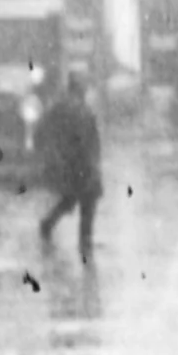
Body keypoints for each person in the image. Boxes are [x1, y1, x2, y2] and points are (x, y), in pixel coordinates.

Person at [34, 74, 105, 259]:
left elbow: (41, 130)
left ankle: (49, 224)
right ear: (79, 89)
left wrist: (52, 154)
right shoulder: (82, 110)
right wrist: (93, 164)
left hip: (67, 162)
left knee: (71, 198)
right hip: (80, 162)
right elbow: (90, 140)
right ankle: (84, 242)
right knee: (87, 201)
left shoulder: (57, 107)